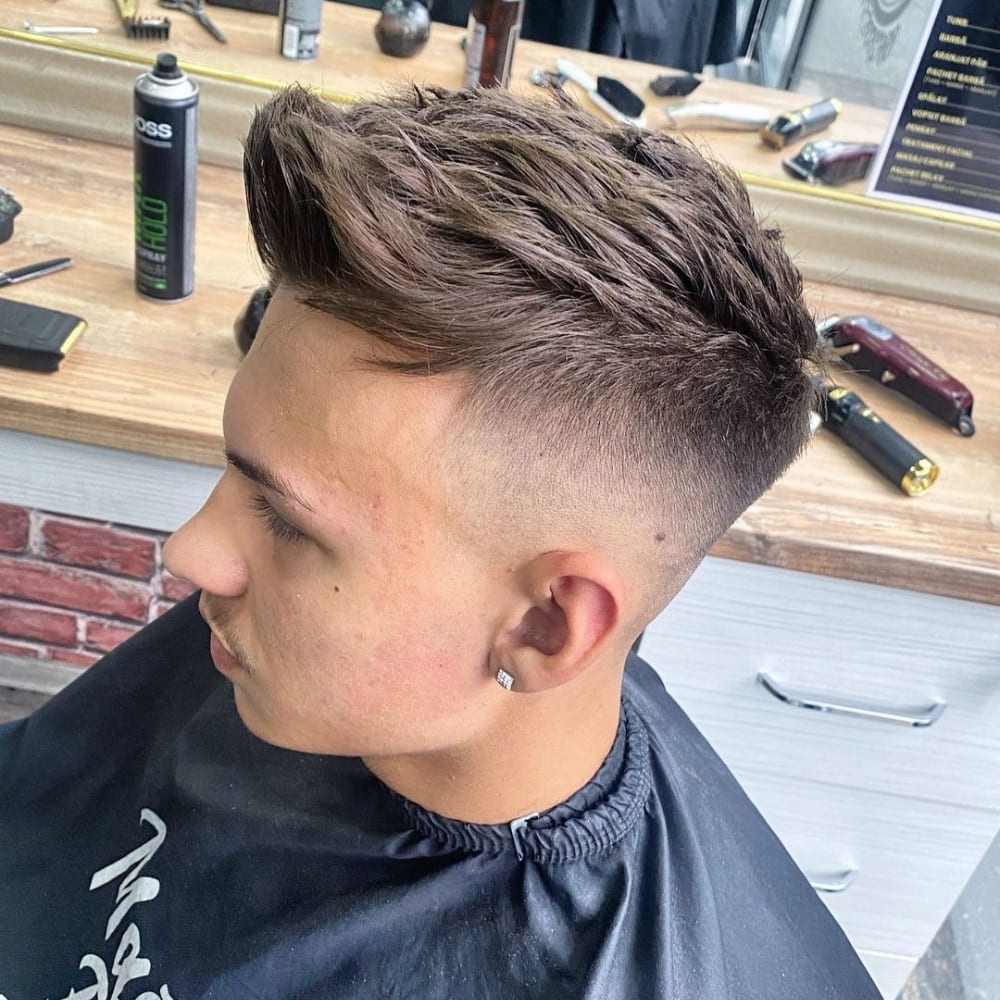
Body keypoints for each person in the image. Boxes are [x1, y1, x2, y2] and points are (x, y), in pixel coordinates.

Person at [0, 85, 880, 999]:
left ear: (544, 629)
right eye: (237, 474)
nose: (190, 552)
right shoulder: (282, 645)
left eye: (287, 522)